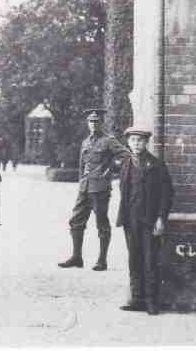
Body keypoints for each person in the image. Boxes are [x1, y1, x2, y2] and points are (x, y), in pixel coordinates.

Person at [116, 126, 174, 316]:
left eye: (140, 140)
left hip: (150, 220)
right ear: (128, 143)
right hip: (130, 219)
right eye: (133, 140)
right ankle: (136, 298)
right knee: (134, 259)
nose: (136, 144)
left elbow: (167, 194)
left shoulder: (157, 165)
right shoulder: (126, 164)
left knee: (150, 260)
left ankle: (151, 301)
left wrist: (160, 218)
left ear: (146, 143)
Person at [58, 108, 123, 271]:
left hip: (100, 188)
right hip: (85, 187)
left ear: (102, 123)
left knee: (101, 223)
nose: (94, 124)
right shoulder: (85, 142)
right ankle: (76, 257)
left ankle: (102, 261)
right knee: (75, 221)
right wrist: (81, 183)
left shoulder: (109, 140)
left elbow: (124, 155)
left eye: (97, 122)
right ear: (88, 123)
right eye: (91, 121)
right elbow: (82, 165)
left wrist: (111, 169)